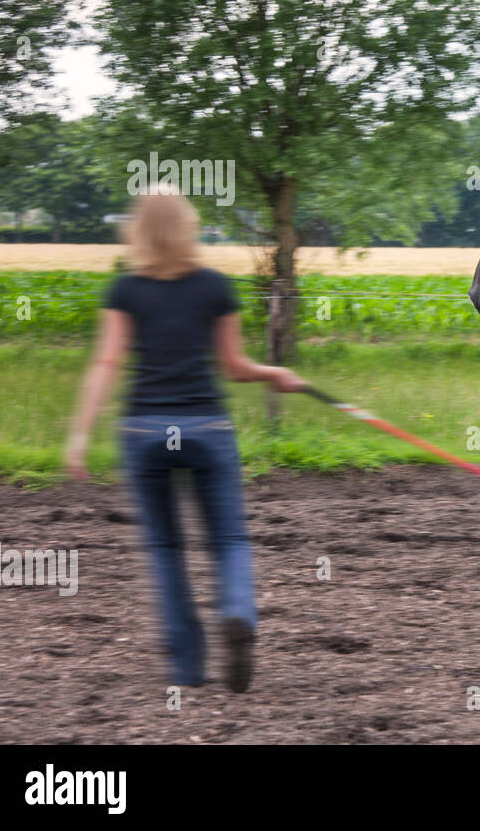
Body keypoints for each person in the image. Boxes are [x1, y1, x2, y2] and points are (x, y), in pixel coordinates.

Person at [66, 185, 305, 692]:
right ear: (188, 228)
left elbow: (107, 363)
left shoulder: (125, 290)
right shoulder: (215, 287)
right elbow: (235, 368)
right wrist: (275, 373)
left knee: (165, 549)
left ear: (139, 232)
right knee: (230, 540)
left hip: (145, 430)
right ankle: (238, 611)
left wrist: (79, 435)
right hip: (205, 428)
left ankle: (187, 669)